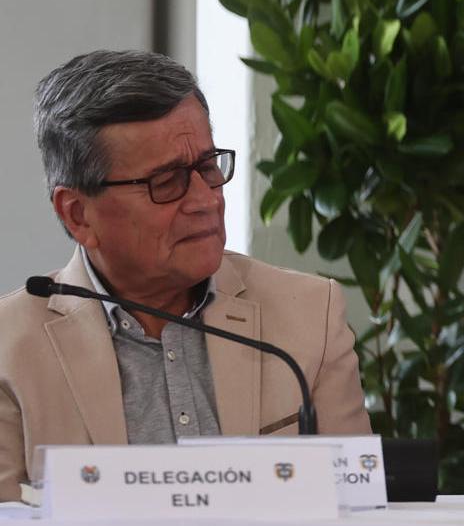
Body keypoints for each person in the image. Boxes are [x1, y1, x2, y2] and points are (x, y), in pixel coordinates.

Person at [0, 51, 371, 500]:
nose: (205, 201)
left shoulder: (310, 316)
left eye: (207, 167)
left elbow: (359, 512)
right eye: (167, 181)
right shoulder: (10, 350)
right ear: (78, 214)